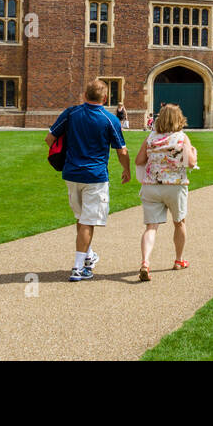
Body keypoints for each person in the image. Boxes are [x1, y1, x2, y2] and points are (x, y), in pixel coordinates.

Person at [46, 78, 130, 282]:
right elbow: (121, 150)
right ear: (106, 97)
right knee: (88, 222)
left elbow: (50, 139)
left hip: (71, 173)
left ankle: (88, 256)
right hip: (95, 176)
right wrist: (126, 170)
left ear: (85, 95)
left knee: (82, 218)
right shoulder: (110, 119)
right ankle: (78, 267)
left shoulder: (71, 113)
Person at [135, 102, 197, 281]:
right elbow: (191, 163)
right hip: (175, 186)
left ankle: (145, 262)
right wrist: (190, 151)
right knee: (179, 223)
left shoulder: (151, 138)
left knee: (151, 227)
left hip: (151, 186)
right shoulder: (181, 137)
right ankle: (179, 260)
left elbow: (139, 160)